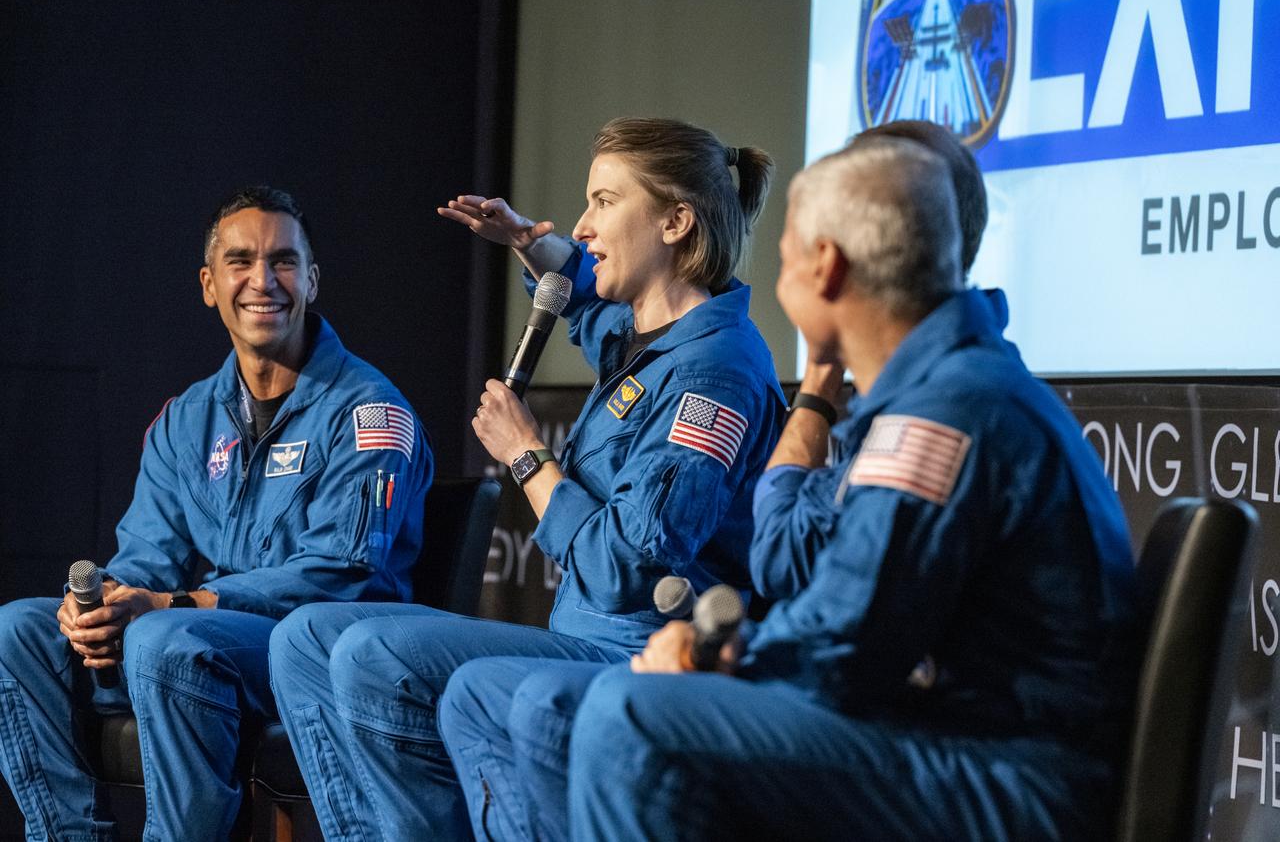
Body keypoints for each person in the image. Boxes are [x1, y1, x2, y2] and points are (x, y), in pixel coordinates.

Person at [440, 131, 1136, 840]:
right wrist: (725, 654)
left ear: (826, 267)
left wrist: (719, 659)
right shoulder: (943, 390)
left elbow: (847, 640)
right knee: (604, 701)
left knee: (631, 717)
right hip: (965, 740)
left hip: (1005, 776)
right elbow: (834, 589)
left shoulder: (942, 414)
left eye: (783, 260)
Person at [267, 117, 786, 839]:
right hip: (581, 634)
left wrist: (526, 455)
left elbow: (627, 567)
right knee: (302, 638)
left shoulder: (716, 371)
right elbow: (577, 292)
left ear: (675, 221)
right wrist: (525, 239)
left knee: (372, 652)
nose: (582, 224)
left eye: (604, 202)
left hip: (637, 645)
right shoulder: (643, 328)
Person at [0, 186, 433, 841]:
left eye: (284, 261)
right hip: (197, 642)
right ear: (209, 284)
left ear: (312, 280)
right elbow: (146, 558)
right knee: (18, 631)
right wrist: (100, 607)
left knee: (163, 639)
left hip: (312, 651)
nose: (264, 280)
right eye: (241, 261)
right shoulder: (186, 419)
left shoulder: (370, 413)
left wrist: (175, 605)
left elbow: (343, 574)